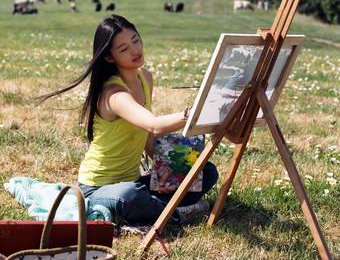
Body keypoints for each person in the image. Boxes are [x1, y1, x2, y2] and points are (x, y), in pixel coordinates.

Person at [39, 15, 218, 225]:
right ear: (109, 57)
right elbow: (154, 124)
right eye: (123, 49)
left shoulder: (145, 78)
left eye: (136, 40)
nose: (135, 50)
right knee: (130, 196)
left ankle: (158, 208)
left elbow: (147, 136)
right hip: (99, 188)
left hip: (133, 180)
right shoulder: (113, 94)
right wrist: (190, 114)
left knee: (205, 171)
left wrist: (166, 169)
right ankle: (177, 214)